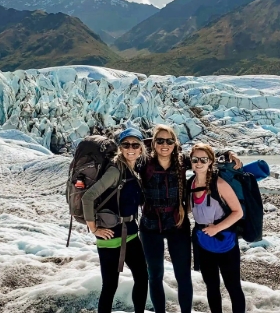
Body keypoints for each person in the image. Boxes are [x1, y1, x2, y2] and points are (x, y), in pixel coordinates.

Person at [137, 124, 241, 313]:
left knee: (183, 275)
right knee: (155, 275)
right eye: (159, 140)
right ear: (153, 143)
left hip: (177, 225)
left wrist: (227, 153)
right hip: (150, 226)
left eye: (169, 141)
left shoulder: (181, 161)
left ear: (175, 143)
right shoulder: (144, 163)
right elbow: (125, 159)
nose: (164, 145)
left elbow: (202, 156)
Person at [81, 128, 148, 313]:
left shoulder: (133, 169)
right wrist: (94, 229)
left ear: (141, 149)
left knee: (142, 279)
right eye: (126, 145)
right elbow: (88, 197)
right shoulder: (115, 169)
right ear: (121, 147)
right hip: (110, 238)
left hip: (131, 235)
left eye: (135, 145)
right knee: (110, 286)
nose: (131, 148)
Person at [187, 143, 246, 313]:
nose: (199, 163)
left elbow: (238, 212)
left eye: (203, 159)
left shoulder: (219, 183)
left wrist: (217, 228)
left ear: (210, 162)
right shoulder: (190, 184)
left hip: (225, 242)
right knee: (211, 287)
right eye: (195, 159)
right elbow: (191, 208)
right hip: (203, 243)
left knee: (233, 286)